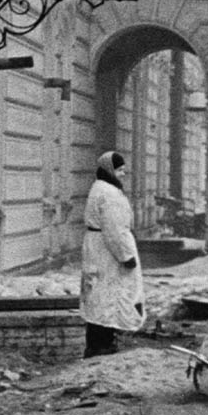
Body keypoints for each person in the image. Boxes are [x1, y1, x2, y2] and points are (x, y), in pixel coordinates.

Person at [79, 151, 145, 358]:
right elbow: (115, 229)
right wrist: (126, 256)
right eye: (119, 170)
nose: (123, 174)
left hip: (97, 247)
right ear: (109, 170)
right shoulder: (109, 193)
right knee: (110, 296)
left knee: (97, 296)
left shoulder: (99, 187)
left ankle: (96, 343)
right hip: (108, 251)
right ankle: (102, 344)